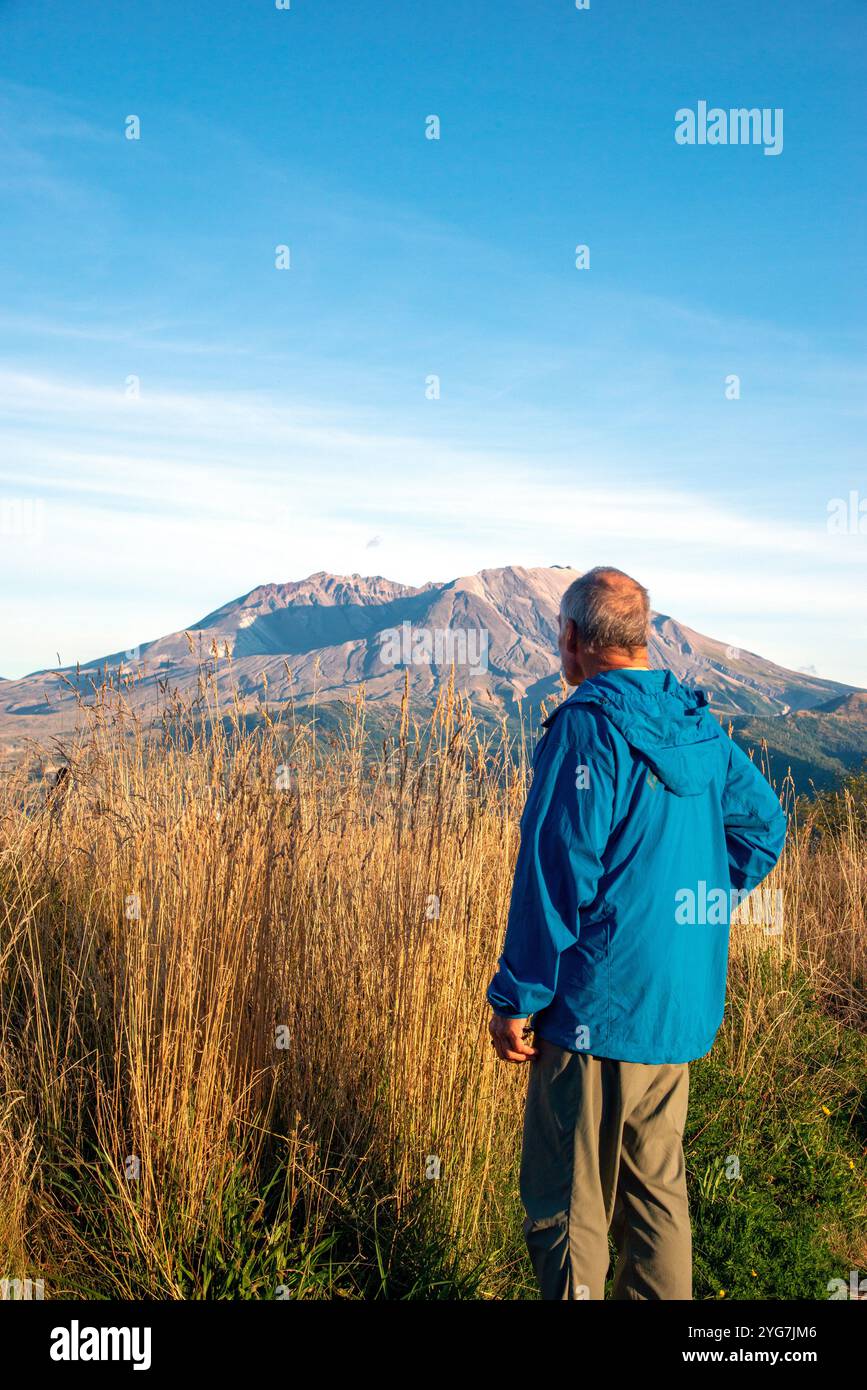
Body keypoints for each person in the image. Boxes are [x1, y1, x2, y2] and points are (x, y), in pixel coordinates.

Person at [487, 566, 786, 1300]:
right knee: (655, 1191)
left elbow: (557, 873)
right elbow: (763, 827)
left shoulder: (587, 725)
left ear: (571, 638)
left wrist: (518, 994)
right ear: (640, 637)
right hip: (676, 1008)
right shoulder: (696, 722)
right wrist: (692, 904)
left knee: (569, 1204)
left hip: (598, 1009)